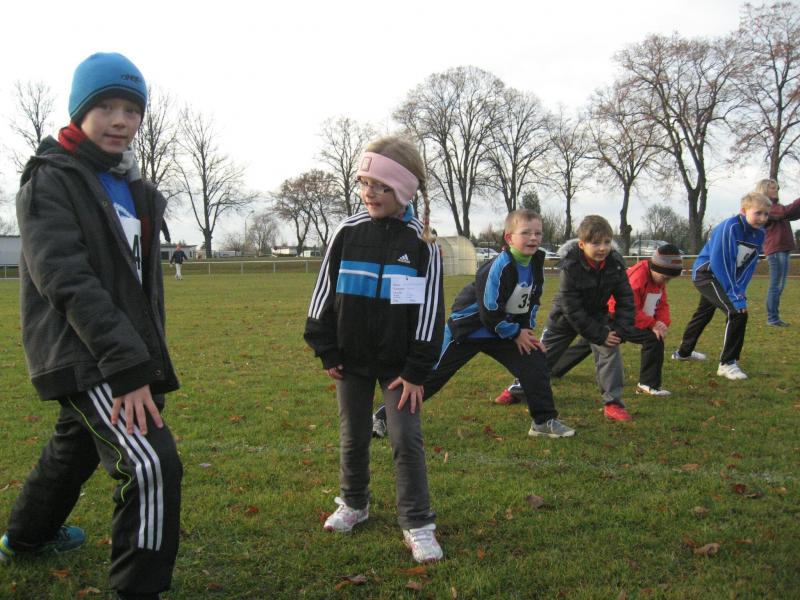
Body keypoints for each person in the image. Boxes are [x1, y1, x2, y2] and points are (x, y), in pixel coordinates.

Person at [0, 53, 182, 600]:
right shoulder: (50, 181)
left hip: (121, 349)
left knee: (74, 446)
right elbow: (67, 280)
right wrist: (127, 368)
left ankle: (25, 538)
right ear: (79, 110)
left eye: (132, 109)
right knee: (150, 465)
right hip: (87, 350)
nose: (121, 120)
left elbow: (137, 283)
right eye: (106, 106)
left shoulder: (130, 184)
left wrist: (145, 353)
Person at [304, 136, 445, 563]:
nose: (370, 193)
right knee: (353, 435)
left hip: (402, 367)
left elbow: (430, 311)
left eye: (382, 186)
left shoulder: (423, 243)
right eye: (365, 183)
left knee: (405, 438)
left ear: (404, 190)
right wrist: (326, 348)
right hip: (351, 361)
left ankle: (417, 522)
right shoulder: (347, 232)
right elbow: (323, 293)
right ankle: (354, 502)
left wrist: (417, 370)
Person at [373, 209, 574, 440]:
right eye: (526, 233)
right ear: (509, 238)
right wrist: (516, 332)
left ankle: (543, 422)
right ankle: (382, 416)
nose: (533, 238)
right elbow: (489, 311)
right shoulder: (498, 267)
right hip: (468, 330)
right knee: (428, 378)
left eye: (538, 233)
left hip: (502, 331)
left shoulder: (536, 263)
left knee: (535, 360)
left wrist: (525, 330)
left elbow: (532, 301)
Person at [501, 215, 637, 421]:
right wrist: (600, 334)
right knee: (541, 355)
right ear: (582, 244)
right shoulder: (570, 264)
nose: (602, 248)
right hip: (564, 317)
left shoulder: (615, 263)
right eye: (596, 243)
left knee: (610, 349)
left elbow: (626, 299)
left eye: (607, 242)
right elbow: (571, 307)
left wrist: (618, 330)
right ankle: (517, 389)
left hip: (597, 316)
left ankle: (613, 404)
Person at [503, 244, 683, 398]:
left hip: (612, 317)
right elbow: (622, 307)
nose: (666, 282)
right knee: (651, 339)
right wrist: (651, 324)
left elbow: (661, 304)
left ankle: (556, 369)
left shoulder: (655, 279)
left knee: (586, 344)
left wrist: (662, 322)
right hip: (612, 317)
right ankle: (647, 384)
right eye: (665, 277)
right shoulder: (636, 277)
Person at [672, 192, 771, 380]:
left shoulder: (760, 234)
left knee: (704, 313)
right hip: (707, 275)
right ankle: (727, 364)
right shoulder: (730, 227)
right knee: (737, 312)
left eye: (766, 214)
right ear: (743, 211)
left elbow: (748, 266)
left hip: (724, 278)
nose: (762, 218)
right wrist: (734, 295)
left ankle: (683, 352)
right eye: (758, 213)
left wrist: (740, 290)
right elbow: (721, 263)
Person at [753, 179, 800, 327]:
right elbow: (784, 212)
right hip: (775, 248)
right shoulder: (765, 207)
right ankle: (772, 318)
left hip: (783, 248)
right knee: (776, 285)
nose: (776, 190)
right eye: (773, 188)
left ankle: (774, 317)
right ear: (765, 190)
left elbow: (792, 214)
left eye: (776, 188)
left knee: (779, 284)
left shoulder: (776, 207)